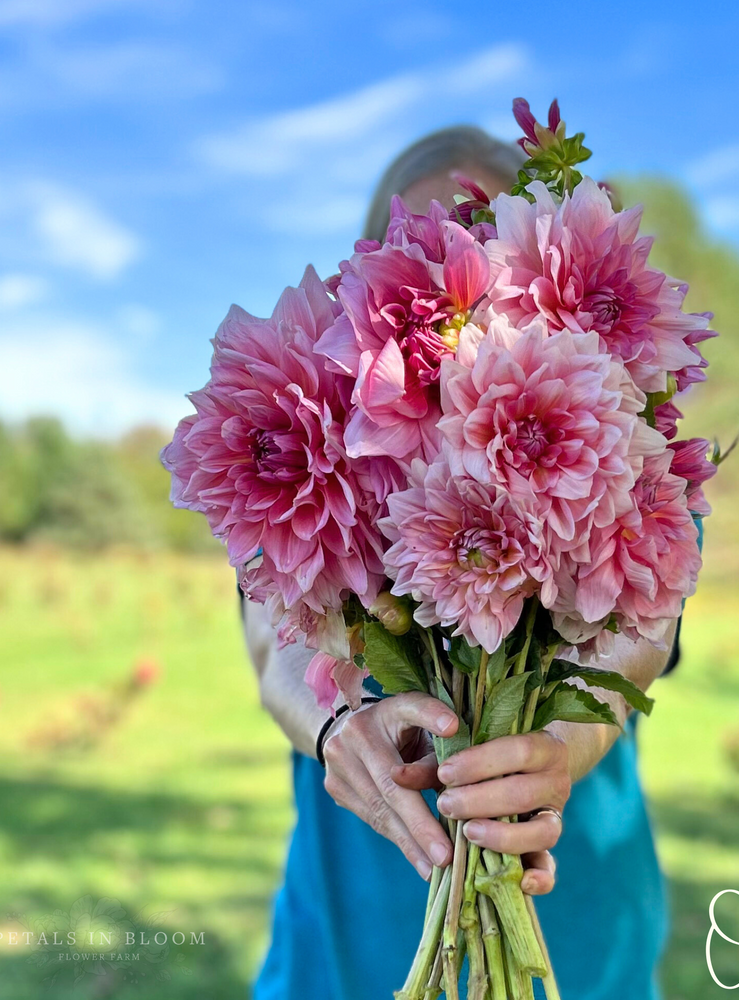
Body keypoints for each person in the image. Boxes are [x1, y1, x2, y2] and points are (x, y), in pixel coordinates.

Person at [245, 125, 685, 1000]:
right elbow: (278, 641)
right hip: (349, 928)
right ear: (361, 287)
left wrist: (561, 741)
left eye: (477, 234)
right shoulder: (311, 432)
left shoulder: (627, 433)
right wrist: (334, 727)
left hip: (576, 911)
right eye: (414, 245)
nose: (449, 293)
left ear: (541, 261)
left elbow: (638, 631)